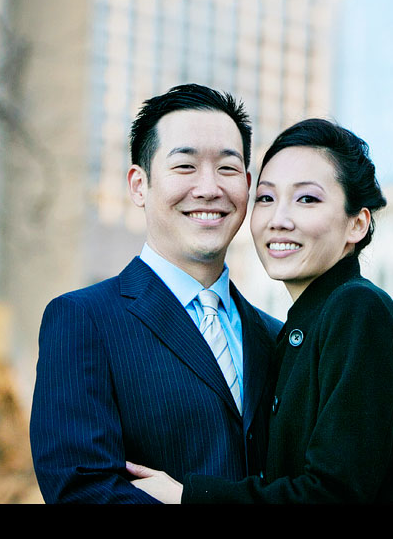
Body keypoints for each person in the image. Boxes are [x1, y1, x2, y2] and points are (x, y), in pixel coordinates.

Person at [126, 118, 393, 503]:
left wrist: (189, 496)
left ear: (357, 223)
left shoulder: (357, 310)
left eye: (307, 199)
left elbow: (335, 493)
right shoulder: (298, 328)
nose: (278, 220)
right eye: (266, 198)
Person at [30, 84, 282, 503]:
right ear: (138, 184)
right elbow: (82, 492)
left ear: (248, 185)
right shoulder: (83, 321)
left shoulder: (276, 337)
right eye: (185, 166)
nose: (208, 188)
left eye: (227, 168)